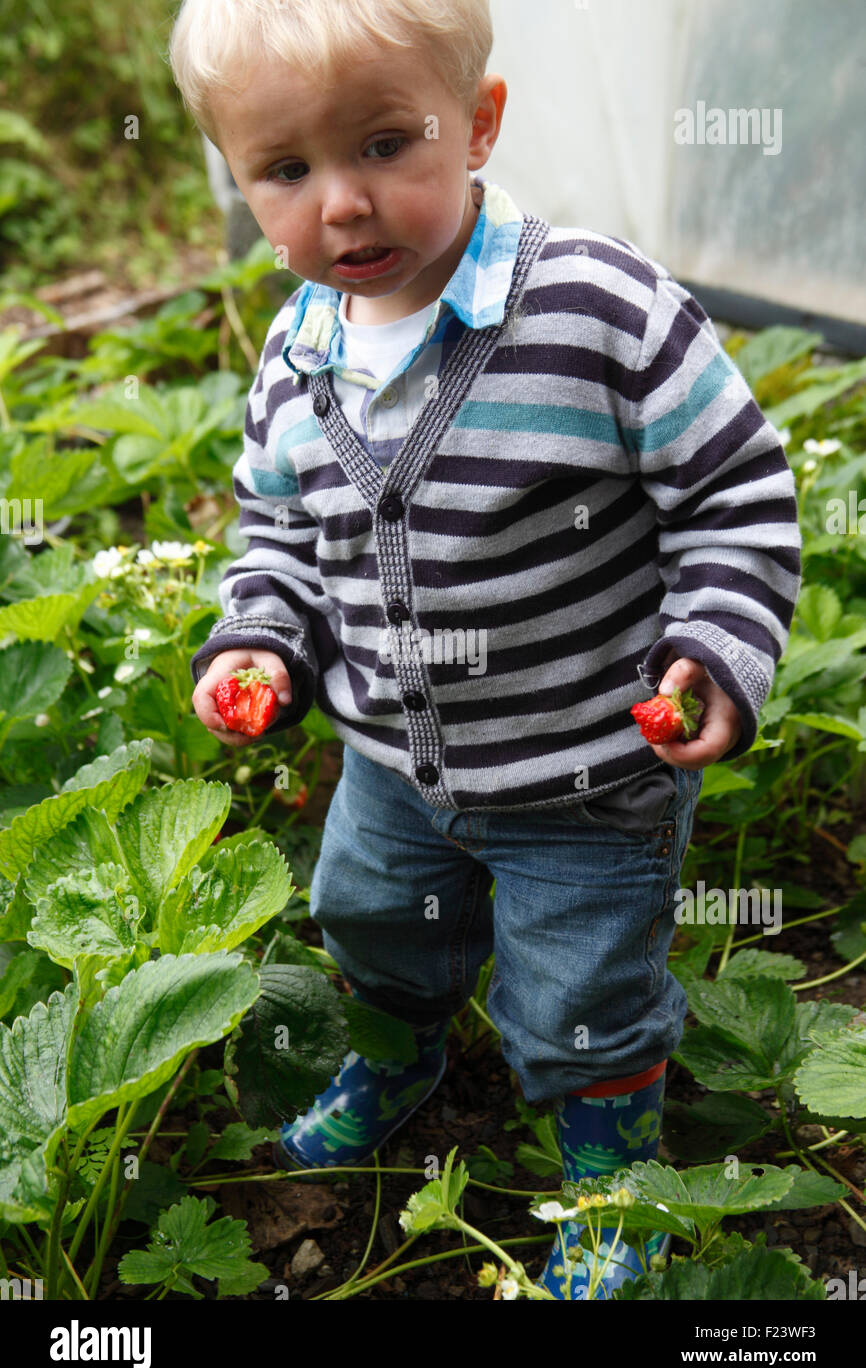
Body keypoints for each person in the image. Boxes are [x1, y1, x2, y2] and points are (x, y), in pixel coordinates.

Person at [170, 0, 801, 1299]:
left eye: (386, 144)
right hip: (395, 770)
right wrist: (262, 640)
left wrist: (715, 649)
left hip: (586, 777)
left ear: (480, 125)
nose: (341, 205)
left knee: (580, 988)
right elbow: (278, 530)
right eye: (286, 170)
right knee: (366, 921)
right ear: (237, 181)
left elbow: (733, 488)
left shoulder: (591, 309)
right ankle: (397, 1057)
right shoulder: (296, 358)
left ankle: (608, 1162)